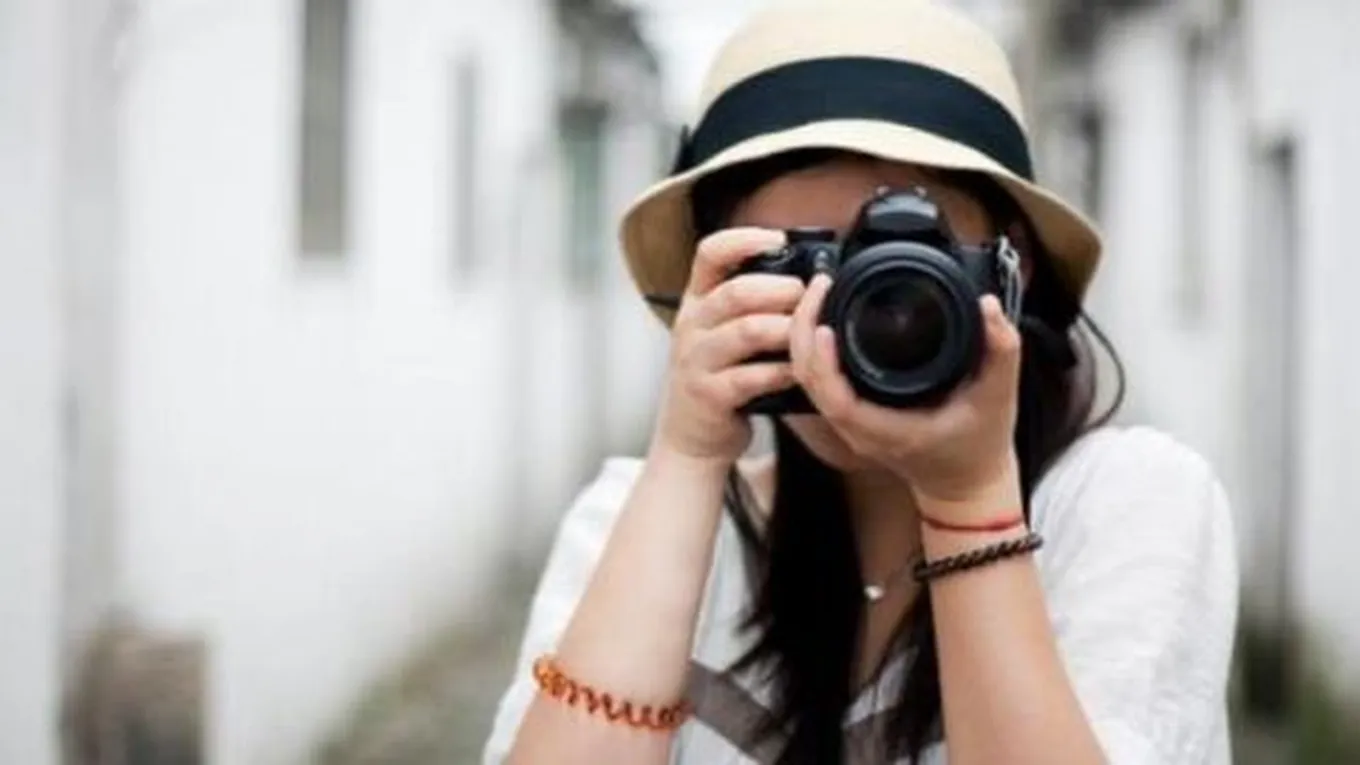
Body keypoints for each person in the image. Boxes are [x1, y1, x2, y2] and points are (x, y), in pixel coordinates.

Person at [483, 1, 1238, 763]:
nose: (861, 316)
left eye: (917, 265)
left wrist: (969, 498)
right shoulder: (631, 520)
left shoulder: (1122, 506)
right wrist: (687, 457)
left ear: (1014, 269)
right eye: (807, 267)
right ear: (716, 280)